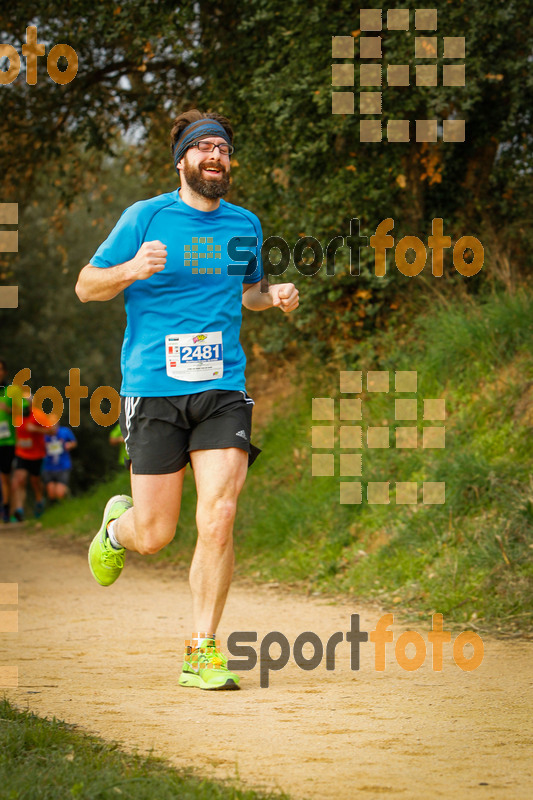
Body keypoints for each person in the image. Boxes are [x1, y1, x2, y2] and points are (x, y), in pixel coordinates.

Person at [75, 109, 299, 690]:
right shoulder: (145, 218)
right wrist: (128, 268)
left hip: (223, 388)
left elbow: (248, 292)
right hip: (153, 389)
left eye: (222, 148)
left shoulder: (245, 224)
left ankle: (202, 649)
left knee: (219, 515)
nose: (214, 157)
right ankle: (115, 530)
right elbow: (85, 285)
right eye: (203, 148)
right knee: (155, 534)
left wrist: (272, 295)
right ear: (182, 160)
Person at [11, 399, 51, 521]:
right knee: (20, 480)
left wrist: (36, 429)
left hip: (37, 455)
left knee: (35, 481)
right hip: (21, 453)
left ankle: (39, 502)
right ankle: (19, 510)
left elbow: (52, 430)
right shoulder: (16, 416)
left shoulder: (38, 415)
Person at [0, 359, 19, 523]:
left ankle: (7, 510)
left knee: (6, 476)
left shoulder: (11, 391)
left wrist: (8, 409)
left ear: (4, 372)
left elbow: (24, 413)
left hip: (7, 441)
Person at [42, 417, 77, 502]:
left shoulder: (65, 431)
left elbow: (74, 443)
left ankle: (66, 495)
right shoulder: (44, 435)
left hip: (63, 466)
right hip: (48, 467)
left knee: (59, 494)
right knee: (51, 494)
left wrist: (70, 445)